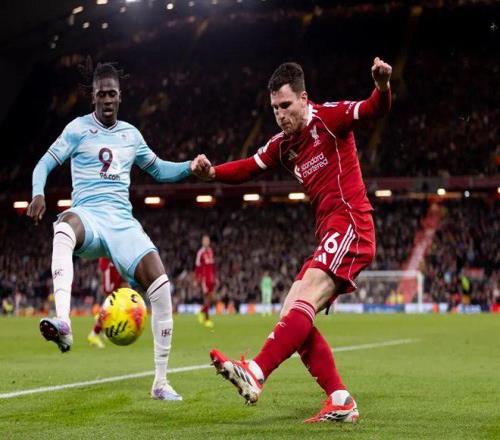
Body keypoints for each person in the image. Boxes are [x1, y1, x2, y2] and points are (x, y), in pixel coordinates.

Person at [199, 58, 392, 422]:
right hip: (330, 232)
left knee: (303, 300)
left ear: (304, 99)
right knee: (291, 312)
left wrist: (382, 86)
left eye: (285, 105)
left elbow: (373, 109)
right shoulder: (283, 145)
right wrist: (212, 172)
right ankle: (340, 398)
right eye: (274, 108)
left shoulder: (330, 118)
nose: (280, 114)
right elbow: (248, 167)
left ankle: (255, 372)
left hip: (351, 223)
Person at [27, 61, 210, 401]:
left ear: (120, 96)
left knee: (162, 286)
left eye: (112, 94)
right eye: (101, 94)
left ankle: (160, 382)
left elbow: (159, 170)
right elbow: (44, 163)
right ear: (93, 97)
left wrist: (189, 167)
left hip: (122, 223)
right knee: (63, 228)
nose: (107, 99)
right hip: (89, 217)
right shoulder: (77, 129)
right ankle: (64, 323)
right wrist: (38, 192)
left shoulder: (131, 135)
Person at [87, 257, 128, 348]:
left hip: (115, 266)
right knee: (110, 305)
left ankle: (103, 326)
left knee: (115, 304)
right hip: (111, 266)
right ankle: (94, 334)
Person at [195, 234, 216, 328]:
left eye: (208, 240)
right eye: (205, 241)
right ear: (202, 242)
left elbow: (212, 266)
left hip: (211, 278)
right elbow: (197, 266)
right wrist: (198, 279)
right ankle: (207, 319)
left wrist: (215, 277)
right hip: (204, 279)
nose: (206, 242)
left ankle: (201, 311)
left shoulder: (210, 251)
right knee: (206, 298)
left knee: (211, 298)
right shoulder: (200, 253)